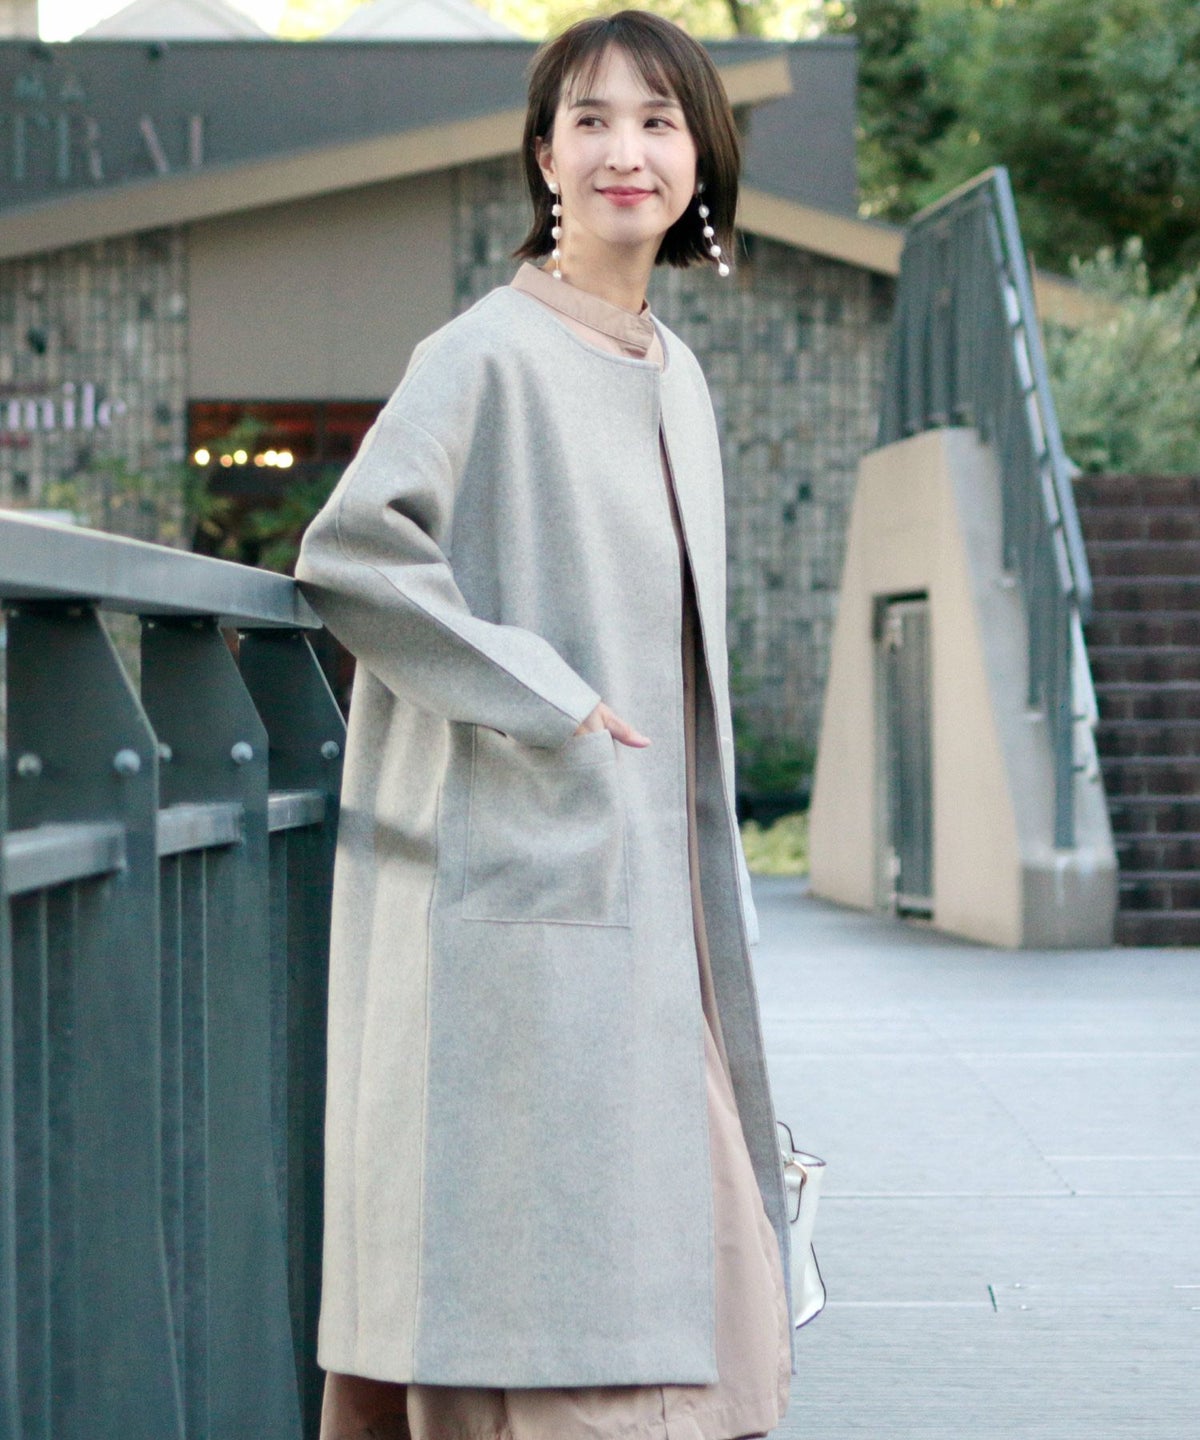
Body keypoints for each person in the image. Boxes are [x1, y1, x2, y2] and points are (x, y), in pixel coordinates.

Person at [294, 12, 794, 1439]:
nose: (626, 150)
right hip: (526, 868)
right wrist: (548, 696)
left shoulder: (677, 374)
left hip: (657, 897)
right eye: (591, 120)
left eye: (659, 122)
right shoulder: (484, 352)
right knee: (546, 1277)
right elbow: (353, 554)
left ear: (702, 160)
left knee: (670, 1252)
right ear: (544, 157)